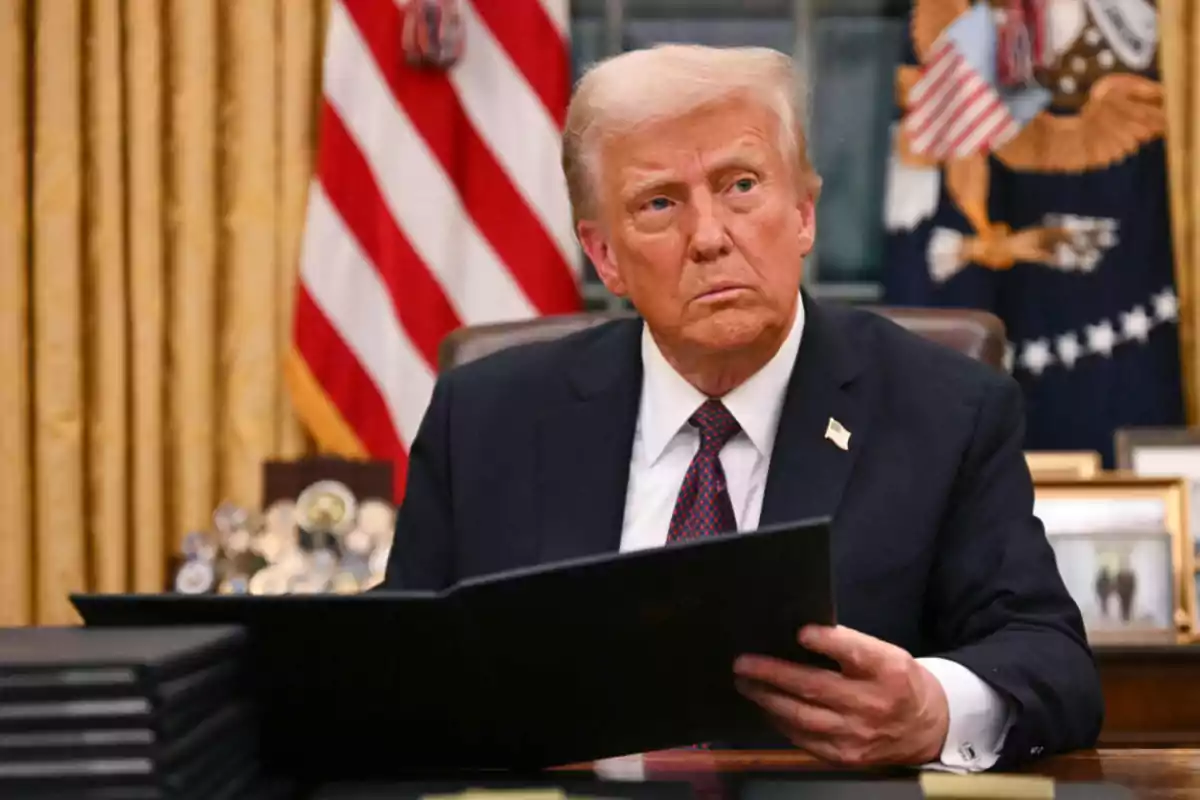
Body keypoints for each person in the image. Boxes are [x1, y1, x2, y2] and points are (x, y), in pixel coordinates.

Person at [382, 43, 1103, 771]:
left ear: (803, 214)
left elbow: (1051, 664)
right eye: (659, 202)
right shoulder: (487, 419)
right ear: (605, 257)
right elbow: (393, 664)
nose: (710, 237)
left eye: (741, 185)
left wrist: (932, 709)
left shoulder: (946, 410)